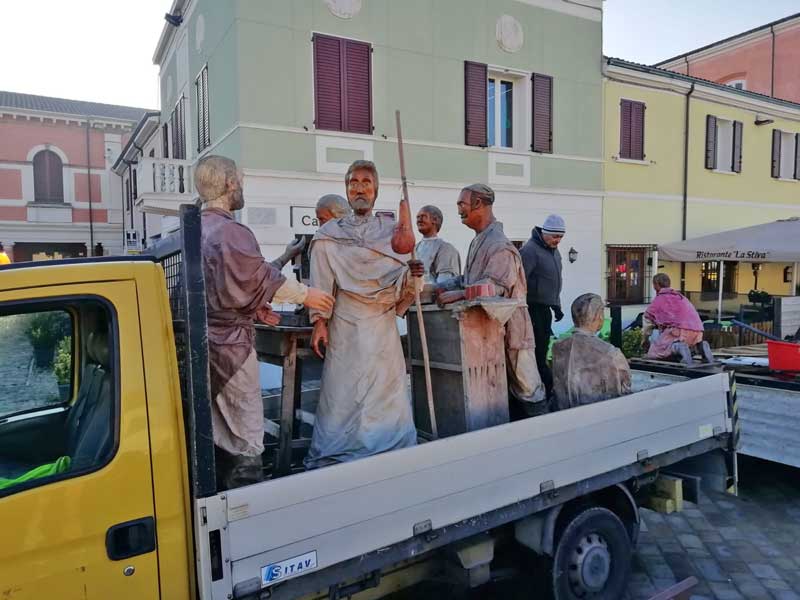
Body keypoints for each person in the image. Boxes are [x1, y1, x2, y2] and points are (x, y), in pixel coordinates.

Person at [197, 155, 334, 489]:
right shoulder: (231, 231)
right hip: (231, 350)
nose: (242, 186)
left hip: (205, 348)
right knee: (247, 434)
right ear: (230, 183)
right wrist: (308, 296)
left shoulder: (196, 228)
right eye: (240, 180)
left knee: (218, 430)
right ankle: (247, 508)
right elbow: (254, 275)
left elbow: (230, 283)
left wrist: (257, 303)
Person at [305, 160, 424, 469]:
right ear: (347, 189)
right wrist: (319, 322)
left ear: (375, 189)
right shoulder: (328, 236)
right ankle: (341, 452)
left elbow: (404, 286)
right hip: (345, 324)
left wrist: (415, 276)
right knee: (343, 394)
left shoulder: (392, 232)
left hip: (381, 325)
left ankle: (388, 453)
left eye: (365, 182)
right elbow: (320, 283)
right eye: (353, 182)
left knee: (384, 394)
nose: (359, 188)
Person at [437, 184, 546, 416]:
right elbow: (468, 279)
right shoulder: (479, 241)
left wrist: (460, 294)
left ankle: (543, 429)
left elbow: (495, 286)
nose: (458, 210)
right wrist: (437, 287)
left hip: (513, 328)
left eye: (462, 204)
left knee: (527, 385)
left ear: (478, 204)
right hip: (489, 331)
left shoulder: (498, 244)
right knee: (503, 387)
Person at [552, 293, 631, 410]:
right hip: (600, 415)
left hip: (563, 414)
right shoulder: (610, 352)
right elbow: (625, 388)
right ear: (598, 316)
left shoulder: (558, 347)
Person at [520, 214, 565, 399]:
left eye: (561, 237)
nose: (558, 241)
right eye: (555, 236)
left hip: (546, 308)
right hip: (533, 308)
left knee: (543, 349)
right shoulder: (530, 250)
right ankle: (541, 391)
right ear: (545, 233)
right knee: (537, 354)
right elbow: (520, 282)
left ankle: (545, 387)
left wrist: (557, 306)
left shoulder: (554, 250)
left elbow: (554, 281)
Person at [643, 273, 713, 365]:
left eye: (653, 284)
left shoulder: (659, 300)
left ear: (656, 285)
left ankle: (677, 347)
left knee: (655, 352)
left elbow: (647, 321)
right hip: (698, 331)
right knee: (688, 344)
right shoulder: (681, 297)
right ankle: (701, 345)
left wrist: (645, 340)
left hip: (679, 331)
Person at [415, 205, 461, 283]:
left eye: (423, 216)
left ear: (435, 220)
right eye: (417, 217)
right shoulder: (414, 249)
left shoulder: (446, 249)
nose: (419, 220)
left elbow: (445, 283)